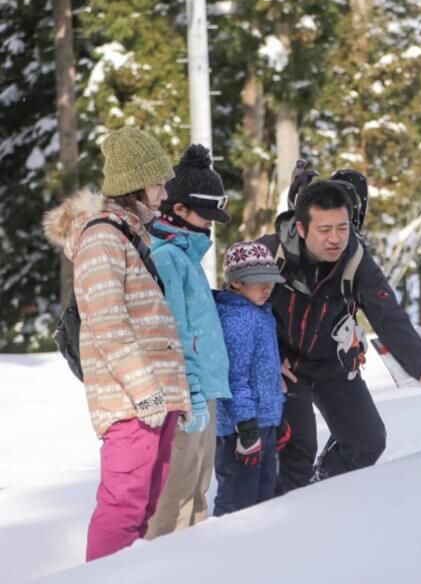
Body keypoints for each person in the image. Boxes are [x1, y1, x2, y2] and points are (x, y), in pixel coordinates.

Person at [42, 127, 190, 560]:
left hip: (155, 400)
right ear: (134, 185)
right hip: (131, 403)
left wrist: (169, 396)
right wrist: (146, 393)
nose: (164, 194)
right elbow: (108, 324)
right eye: (158, 183)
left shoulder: (130, 235)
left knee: (143, 510)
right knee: (122, 508)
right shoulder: (103, 238)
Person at [258, 178, 421, 492]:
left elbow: (388, 317)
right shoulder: (269, 253)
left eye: (342, 227)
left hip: (331, 362)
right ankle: (281, 522)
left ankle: (324, 492)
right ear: (302, 228)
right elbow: (239, 310)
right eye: (324, 230)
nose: (335, 239)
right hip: (283, 365)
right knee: (297, 450)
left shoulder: (356, 260)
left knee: (366, 442)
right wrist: (265, 358)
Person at [144, 144, 232, 539]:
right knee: (175, 498)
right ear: (178, 210)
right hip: (185, 397)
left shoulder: (188, 258)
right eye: (206, 214)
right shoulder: (168, 258)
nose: (211, 225)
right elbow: (174, 334)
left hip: (206, 392)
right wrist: (191, 393)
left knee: (198, 493)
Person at [212, 242, 289, 515]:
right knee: (238, 504)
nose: (266, 288)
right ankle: (226, 553)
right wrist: (246, 428)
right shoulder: (237, 319)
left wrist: (276, 416)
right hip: (240, 431)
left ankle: (257, 554)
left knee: (263, 499)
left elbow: (265, 374)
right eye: (258, 281)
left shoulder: (259, 313)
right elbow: (234, 379)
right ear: (235, 283)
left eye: (270, 280)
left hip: (262, 424)